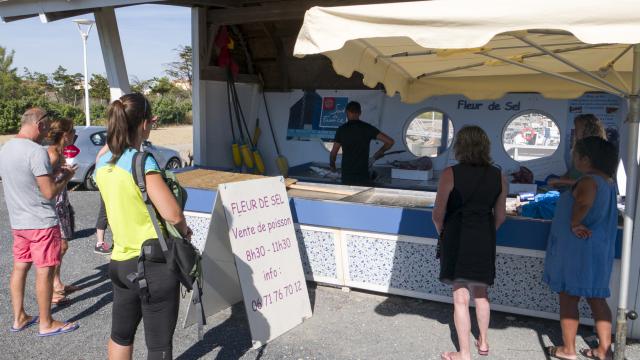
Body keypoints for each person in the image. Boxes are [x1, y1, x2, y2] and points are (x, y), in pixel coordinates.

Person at [95, 93, 192, 360]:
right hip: (152, 265)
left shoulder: (102, 163)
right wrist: (186, 232)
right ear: (146, 123)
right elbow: (172, 214)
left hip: (119, 262)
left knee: (121, 335)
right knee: (159, 346)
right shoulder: (142, 162)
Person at [0, 108, 79, 336]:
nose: (46, 131)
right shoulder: (36, 152)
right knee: (44, 271)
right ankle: (46, 322)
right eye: (45, 126)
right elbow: (48, 192)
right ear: (39, 124)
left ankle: (19, 318)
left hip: (18, 221)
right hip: (41, 222)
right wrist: (66, 177)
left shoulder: (6, 148)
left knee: (20, 267)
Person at [432, 125, 508, 360]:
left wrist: (443, 234)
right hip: (484, 237)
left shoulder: (450, 173)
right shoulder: (499, 176)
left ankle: (464, 353)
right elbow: (501, 215)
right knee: (482, 293)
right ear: (485, 146)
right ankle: (483, 342)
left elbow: (437, 213)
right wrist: (486, 232)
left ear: (460, 147)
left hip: (457, 237)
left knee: (460, 297)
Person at [543, 137, 619, 360]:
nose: (573, 159)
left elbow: (584, 202)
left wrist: (575, 223)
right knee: (597, 298)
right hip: (598, 248)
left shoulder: (587, 181)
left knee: (568, 297)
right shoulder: (607, 181)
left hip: (578, 249)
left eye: (575, 155)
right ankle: (604, 350)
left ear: (585, 159)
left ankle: (568, 350)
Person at [45, 118, 81, 303]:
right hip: (54, 206)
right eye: (73, 130)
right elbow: (44, 184)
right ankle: (50, 288)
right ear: (66, 134)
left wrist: (66, 173)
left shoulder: (60, 152)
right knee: (60, 247)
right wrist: (66, 176)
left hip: (62, 204)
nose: (75, 133)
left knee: (63, 246)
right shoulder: (52, 154)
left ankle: (57, 283)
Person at [329, 101, 394, 185]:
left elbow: (333, 153)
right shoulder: (367, 128)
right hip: (363, 174)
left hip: (347, 174)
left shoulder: (342, 129)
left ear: (347, 112)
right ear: (360, 113)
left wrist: (332, 167)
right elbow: (390, 142)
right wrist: (378, 154)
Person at [548, 114, 607, 189]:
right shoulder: (580, 149)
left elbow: (590, 181)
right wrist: (561, 178)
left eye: (576, 128)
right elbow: (573, 171)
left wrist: (560, 182)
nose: (574, 131)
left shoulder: (596, 151)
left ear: (587, 130)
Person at [94, 144, 112, 255]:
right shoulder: (111, 145)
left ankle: (101, 243)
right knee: (105, 211)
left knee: (106, 211)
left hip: (104, 181)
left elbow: (98, 157)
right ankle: (100, 243)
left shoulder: (109, 146)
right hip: (108, 182)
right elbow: (99, 157)